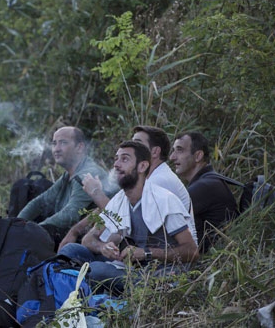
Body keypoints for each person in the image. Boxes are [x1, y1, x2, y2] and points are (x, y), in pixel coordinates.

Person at [59, 141, 198, 295]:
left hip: (160, 277)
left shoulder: (164, 200)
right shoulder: (120, 199)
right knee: (71, 250)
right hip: (131, 269)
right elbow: (88, 239)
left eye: (124, 159)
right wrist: (103, 248)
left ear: (142, 166)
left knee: (97, 270)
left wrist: (146, 253)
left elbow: (191, 251)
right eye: (116, 159)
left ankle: (76, 289)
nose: (117, 165)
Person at [59, 125, 196, 249]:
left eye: (138, 143)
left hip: (161, 258)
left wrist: (96, 194)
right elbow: (115, 208)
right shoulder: (142, 177)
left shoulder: (160, 180)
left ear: (154, 152)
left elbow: (121, 217)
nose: (132, 147)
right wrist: (76, 231)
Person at [18, 126, 113, 247]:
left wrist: (33, 230)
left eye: (63, 143)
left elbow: (70, 215)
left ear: (79, 147)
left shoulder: (86, 175)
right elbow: (40, 201)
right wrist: (16, 224)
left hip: (95, 244)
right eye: (54, 143)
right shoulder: (69, 174)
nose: (56, 149)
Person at [170, 131, 239, 253]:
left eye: (179, 150)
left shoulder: (205, 186)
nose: (172, 157)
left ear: (198, 156)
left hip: (214, 261)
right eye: (173, 150)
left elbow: (165, 218)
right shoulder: (208, 181)